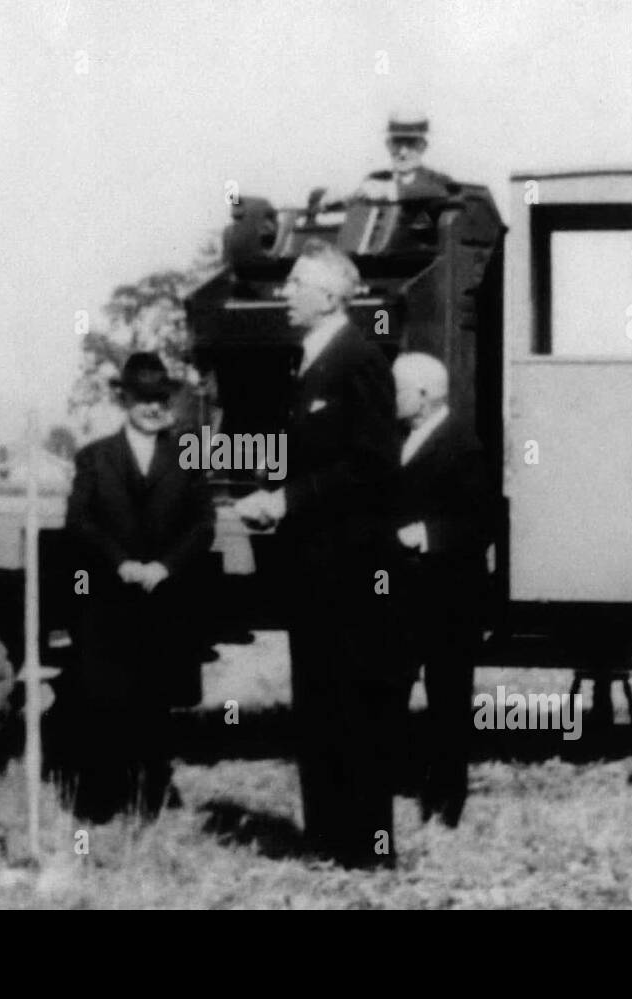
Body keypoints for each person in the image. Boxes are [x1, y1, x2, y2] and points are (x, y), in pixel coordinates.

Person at [234, 239, 405, 869]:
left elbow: (372, 465)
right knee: (319, 701)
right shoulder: (308, 361)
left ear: (331, 295)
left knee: (350, 704)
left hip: (352, 569)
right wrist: (274, 495)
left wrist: (289, 501)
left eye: (298, 283)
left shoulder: (359, 361)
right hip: (315, 566)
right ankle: (328, 839)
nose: (285, 292)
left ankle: (363, 849)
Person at [62, 352, 215, 823]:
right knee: (104, 701)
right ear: (124, 398)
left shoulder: (188, 454)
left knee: (154, 704)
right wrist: (120, 563)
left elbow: (202, 524)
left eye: (161, 398)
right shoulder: (95, 457)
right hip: (109, 603)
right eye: (143, 398)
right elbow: (80, 521)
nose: (153, 407)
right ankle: (99, 802)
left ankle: (148, 799)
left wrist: (165, 568)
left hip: (164, 602)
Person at [391, 352, 492, 827]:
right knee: (390, 688)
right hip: (409, 598)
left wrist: (426, 535)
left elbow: (481, 522)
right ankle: (404, 784)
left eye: (399, 390)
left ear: (426, 395)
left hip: (450, 599)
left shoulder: (463, 444)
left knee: (448, 702)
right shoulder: (405, 438)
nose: (392, 398)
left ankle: (446, 805)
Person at [318, 111, 458, 209]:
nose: (403, 152)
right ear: (388, 145)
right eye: (397, 142)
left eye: (411, 143)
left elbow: (445, 193)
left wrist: (389, 191)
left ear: (423, 146)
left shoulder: (438, 180)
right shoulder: (376, 178)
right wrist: (338, 199)